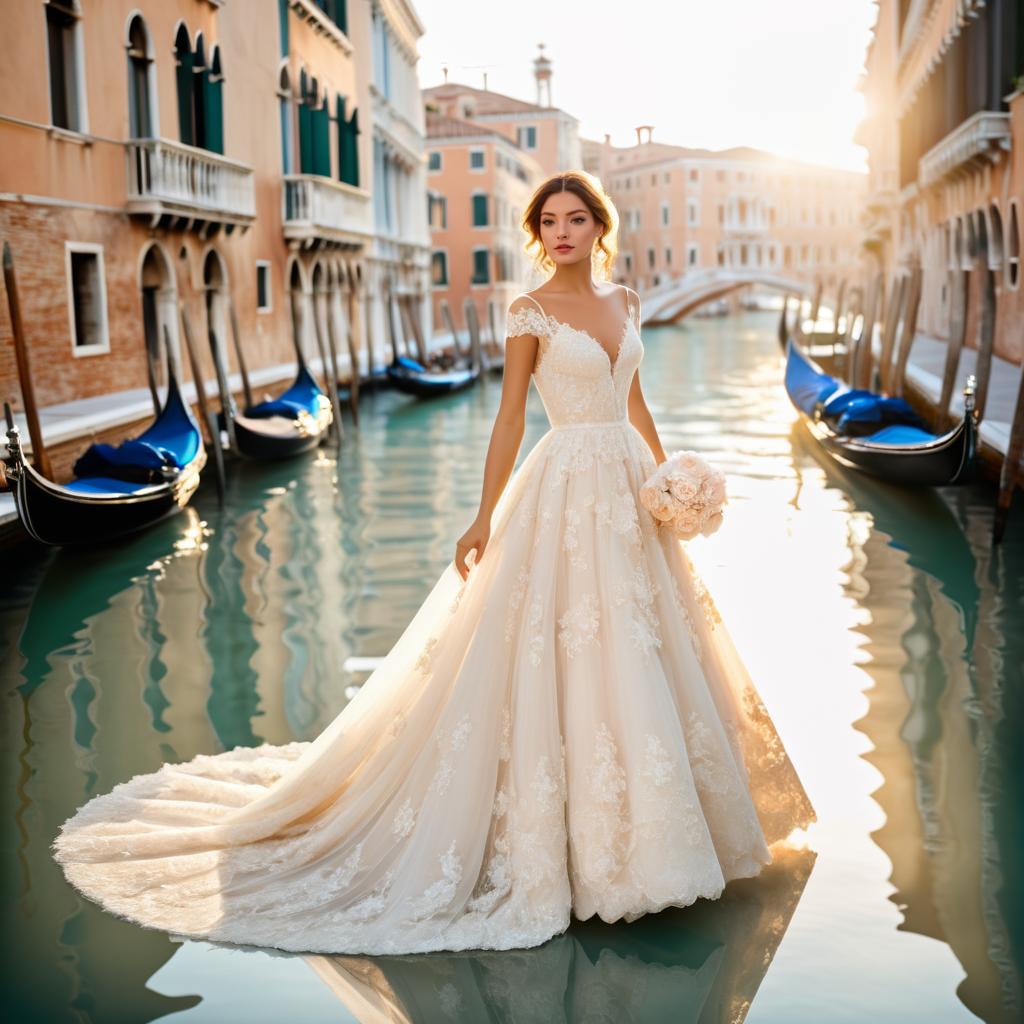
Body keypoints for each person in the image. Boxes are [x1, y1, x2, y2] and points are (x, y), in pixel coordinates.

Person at [51, 170, 815, 957]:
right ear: (537, 232)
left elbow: (637, 399)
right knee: (573, 647)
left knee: (647, 647)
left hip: (627, 487)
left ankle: (662, 836)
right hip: (561, 488)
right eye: (548, 221)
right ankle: (582, 852)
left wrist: (667, 473)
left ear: (598, 227)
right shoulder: (530, 312)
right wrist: (483, 515)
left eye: (576, 219)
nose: (561, 232)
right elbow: (512, 416)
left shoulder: (627, 303)